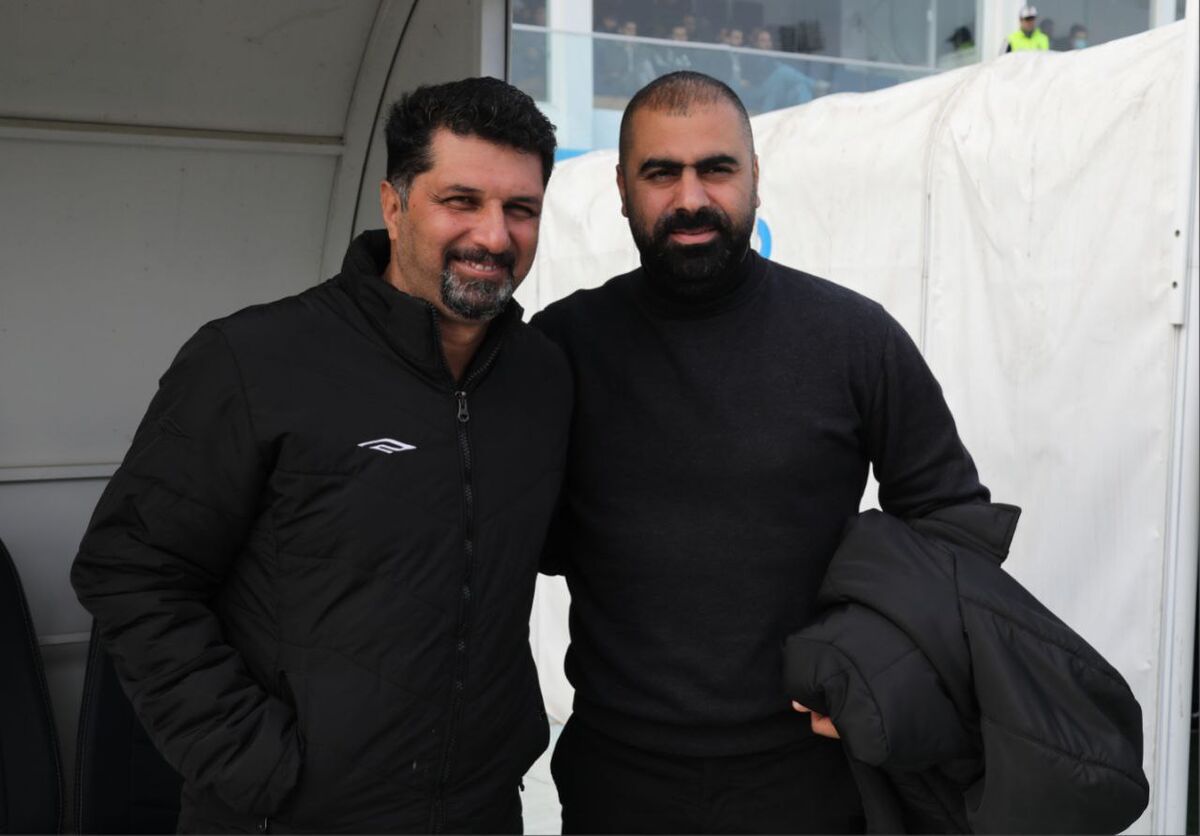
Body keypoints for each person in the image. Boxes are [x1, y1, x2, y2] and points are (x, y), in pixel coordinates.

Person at [71, 76, 571, 835]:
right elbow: (130, 567)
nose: (495, 237)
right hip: (287, 817)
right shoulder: (254, 360)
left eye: (520, 209)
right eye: (461, 200)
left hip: (479, 813)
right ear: (394, 205)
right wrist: (253, 762)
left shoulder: (541, 378)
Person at [532, 71, 989, 834]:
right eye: (660, 173)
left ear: (755, 177)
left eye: (716, 168)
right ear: (621, 189)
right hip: (618, 781)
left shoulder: (853, 339)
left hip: (813, 782)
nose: (691, 198)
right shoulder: (560, 347)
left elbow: (952, 522)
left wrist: (876, 667)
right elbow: (508, 535)